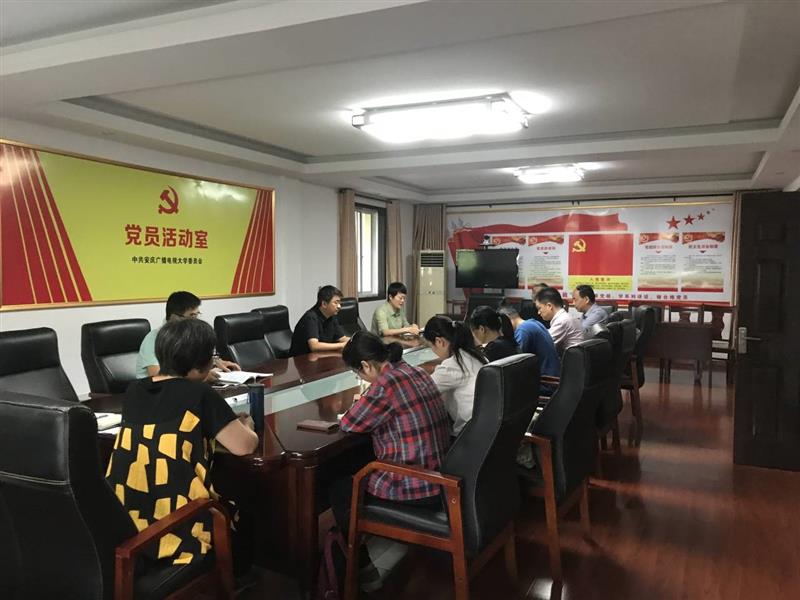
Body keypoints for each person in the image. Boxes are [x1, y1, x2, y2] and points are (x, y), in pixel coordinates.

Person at [107, 318, 259, 571]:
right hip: (179, 528)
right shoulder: (199, 393)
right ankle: (237, 579)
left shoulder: (134, 392)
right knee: (245, 506)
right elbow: (244, 446)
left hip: (127, 523)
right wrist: (248, 426)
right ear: (203, 363)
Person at [331, 332, 451, 590]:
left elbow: (348, 423)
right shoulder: (415, 371)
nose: (362, 378)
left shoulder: (384, 385)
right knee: (357, 465)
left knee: (341, 488)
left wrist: (367, 398)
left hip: (416, 485)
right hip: (441, 477)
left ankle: (363, 571)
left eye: (358, 373)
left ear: (365, 365)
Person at [135, 291, 240, 380]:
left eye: (197, 315)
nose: (196, 321)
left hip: (181, 387)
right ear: (174, 317)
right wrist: (201, 377)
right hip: (153, 392)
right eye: (192, 316)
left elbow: (192, 363)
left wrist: (216, 362)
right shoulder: (154, 338)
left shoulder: (188, 336)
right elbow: (157, 376)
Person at [423, 315, 487, 435]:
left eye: (431, 347)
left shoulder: (453, 365)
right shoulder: (476, 355)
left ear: (439, 341)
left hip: (468, 435)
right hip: (486, 430)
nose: (433, 352)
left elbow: (422, 392)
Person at [498, 304, 560, 393]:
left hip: (546, 383)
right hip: (554, 379)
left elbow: (514, 361)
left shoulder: (523, 331)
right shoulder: (533, 323)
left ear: (507, 319)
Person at [289, 285, 351, 356]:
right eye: (336, 303)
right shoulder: (310, 317)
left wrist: (356, 341)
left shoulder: (331, 316)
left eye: (339, 303)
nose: (339, 306)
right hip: (301, 359)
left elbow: (342, 338)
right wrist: (341, 345)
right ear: (324, 304)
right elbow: (314, 346)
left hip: (321, 357)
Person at [535, 287, 584, 354]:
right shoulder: (564, 317)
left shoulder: (562, 321)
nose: (538, 312)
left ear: (549, 306)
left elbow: (542, 344)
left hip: (570, 359)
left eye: (539, 308)